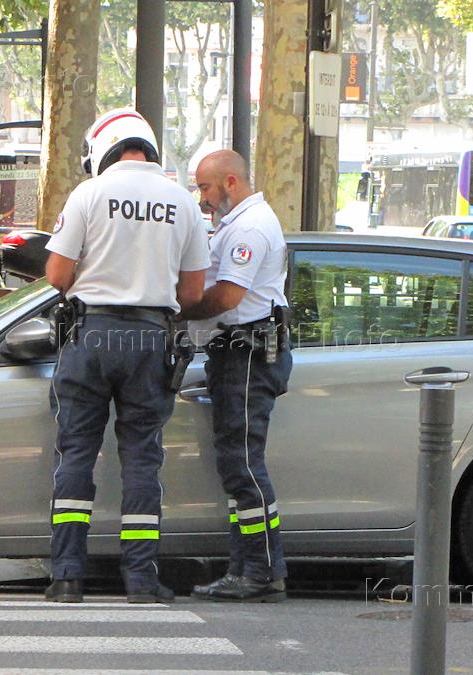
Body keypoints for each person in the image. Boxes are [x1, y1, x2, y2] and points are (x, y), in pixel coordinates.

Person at [42, 107, 210, 604]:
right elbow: (193, 292)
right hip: (150, 339)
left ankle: (67, 577)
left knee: (77, 454)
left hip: (92, 334)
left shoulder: (89, 193)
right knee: (142, 459)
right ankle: (140, 580)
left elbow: (56, 275)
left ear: (103, 148)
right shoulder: (181, 201)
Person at [180, 149, 291, 603]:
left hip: (246, 354)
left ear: (230, 182)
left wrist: (182, 311)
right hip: (239, 352)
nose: (201, 197)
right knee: (236, 464)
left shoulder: (248, 227)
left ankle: (261, 570)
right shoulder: (237, 223)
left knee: (243, 463)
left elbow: (227, 296)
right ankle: (248, 567)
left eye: (205, 187)